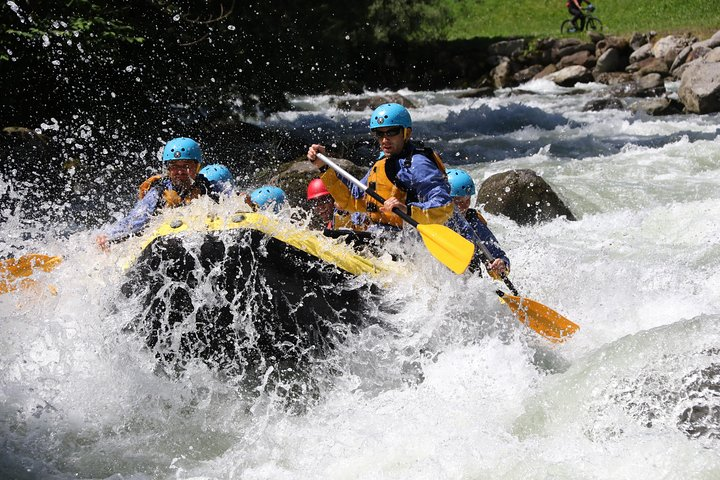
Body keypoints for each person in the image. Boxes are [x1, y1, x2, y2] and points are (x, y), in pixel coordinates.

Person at [306, 103, 453, 234]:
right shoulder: (382, 163)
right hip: (380, 236)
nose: (384, 140)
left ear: (406, 133)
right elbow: (352, 199)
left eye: (391, 132)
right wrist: (324, 166)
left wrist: (407, 210)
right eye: (380, 133)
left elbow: (445, 206)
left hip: (410, 240)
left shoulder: (418, 164)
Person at [95, 137, 211, 251]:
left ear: (197, 167)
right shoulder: (158, 193)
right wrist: (108, 236)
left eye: (186, 166)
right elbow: (135, 220)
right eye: (174, 166)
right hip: (166, 246)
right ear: (168, 168)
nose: (180, 172)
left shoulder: (208, 187)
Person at [446, 169, 509, 277]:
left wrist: (501, 264)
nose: (465, 206)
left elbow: (498, 255)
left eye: (467, 200)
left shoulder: (474, 222)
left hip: (469, 281)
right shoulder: (430, 219)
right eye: (459, 201)